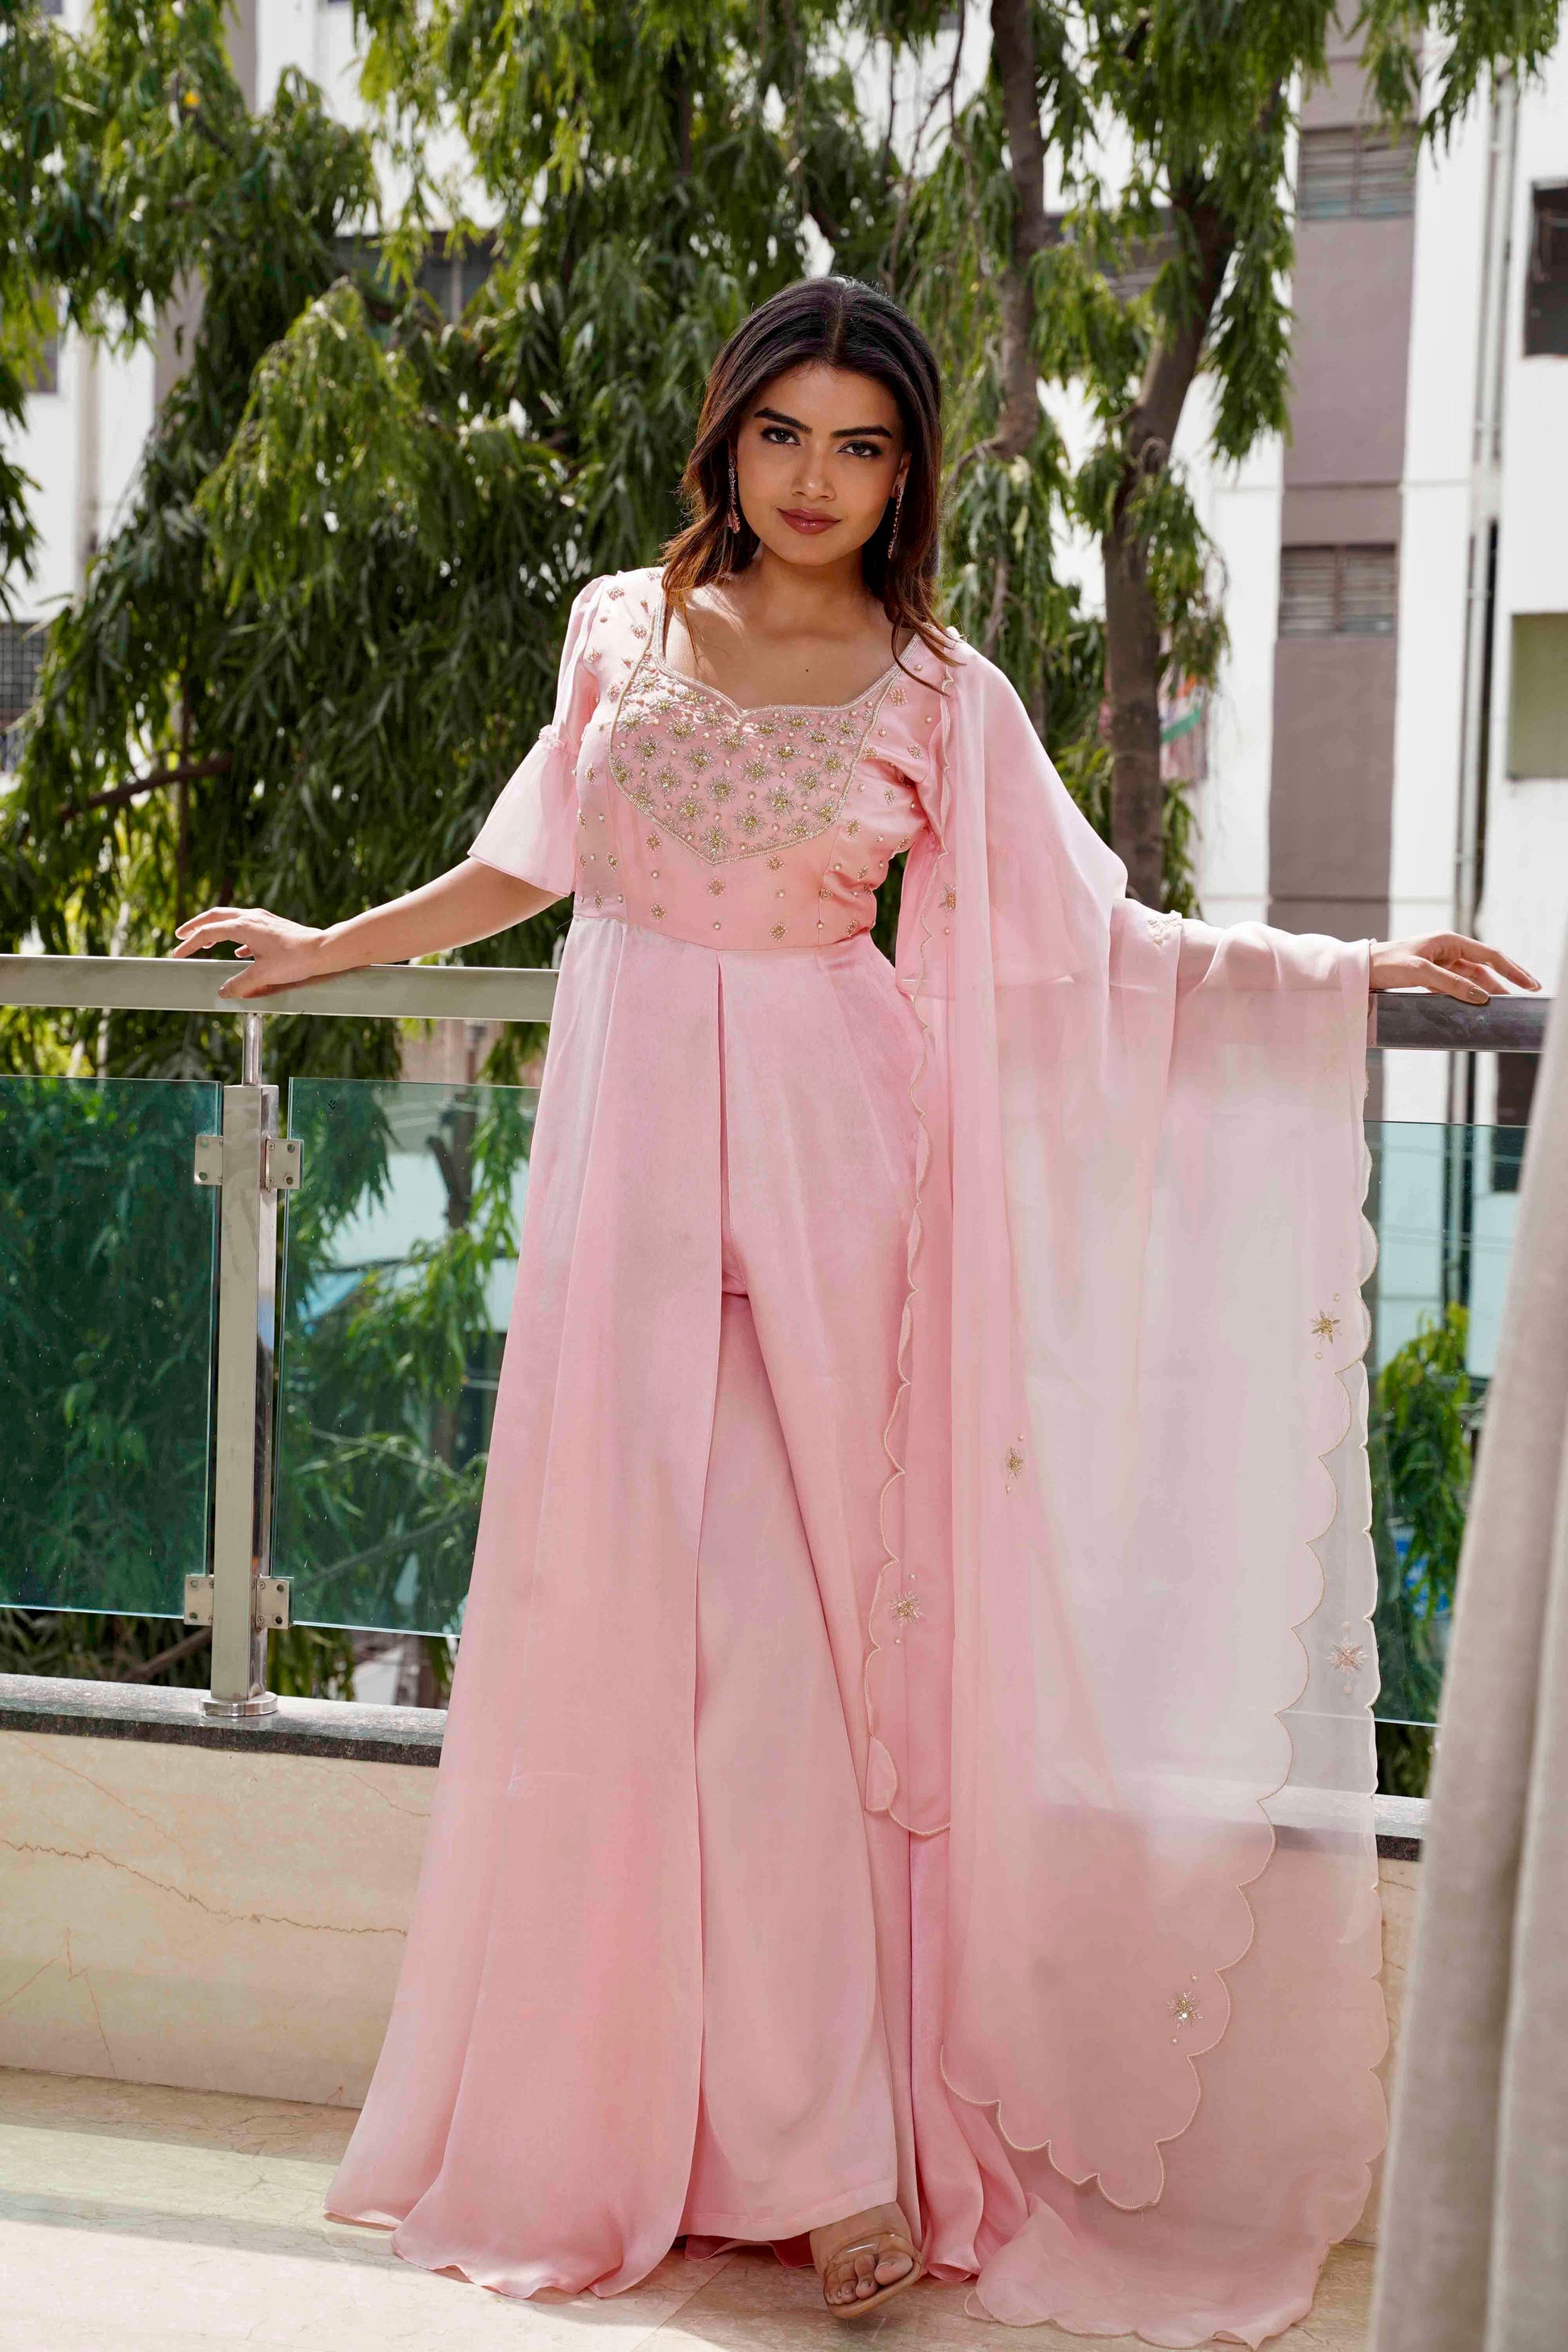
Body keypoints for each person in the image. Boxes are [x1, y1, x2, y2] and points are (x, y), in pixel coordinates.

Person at [173, 278, 1537, 2338]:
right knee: (683, 1641)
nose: (815, 479)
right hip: (630, 1154)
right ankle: (720, 2133)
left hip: (840, 1170)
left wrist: (1343, 973)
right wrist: (321, 944)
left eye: (862, 445)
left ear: (905, 475)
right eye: (783, 433)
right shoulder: (616, 629)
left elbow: (1092, 928)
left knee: (822, 1667)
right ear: (725, 437)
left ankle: (827, 2164)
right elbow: (523, 860)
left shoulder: (935, 689)